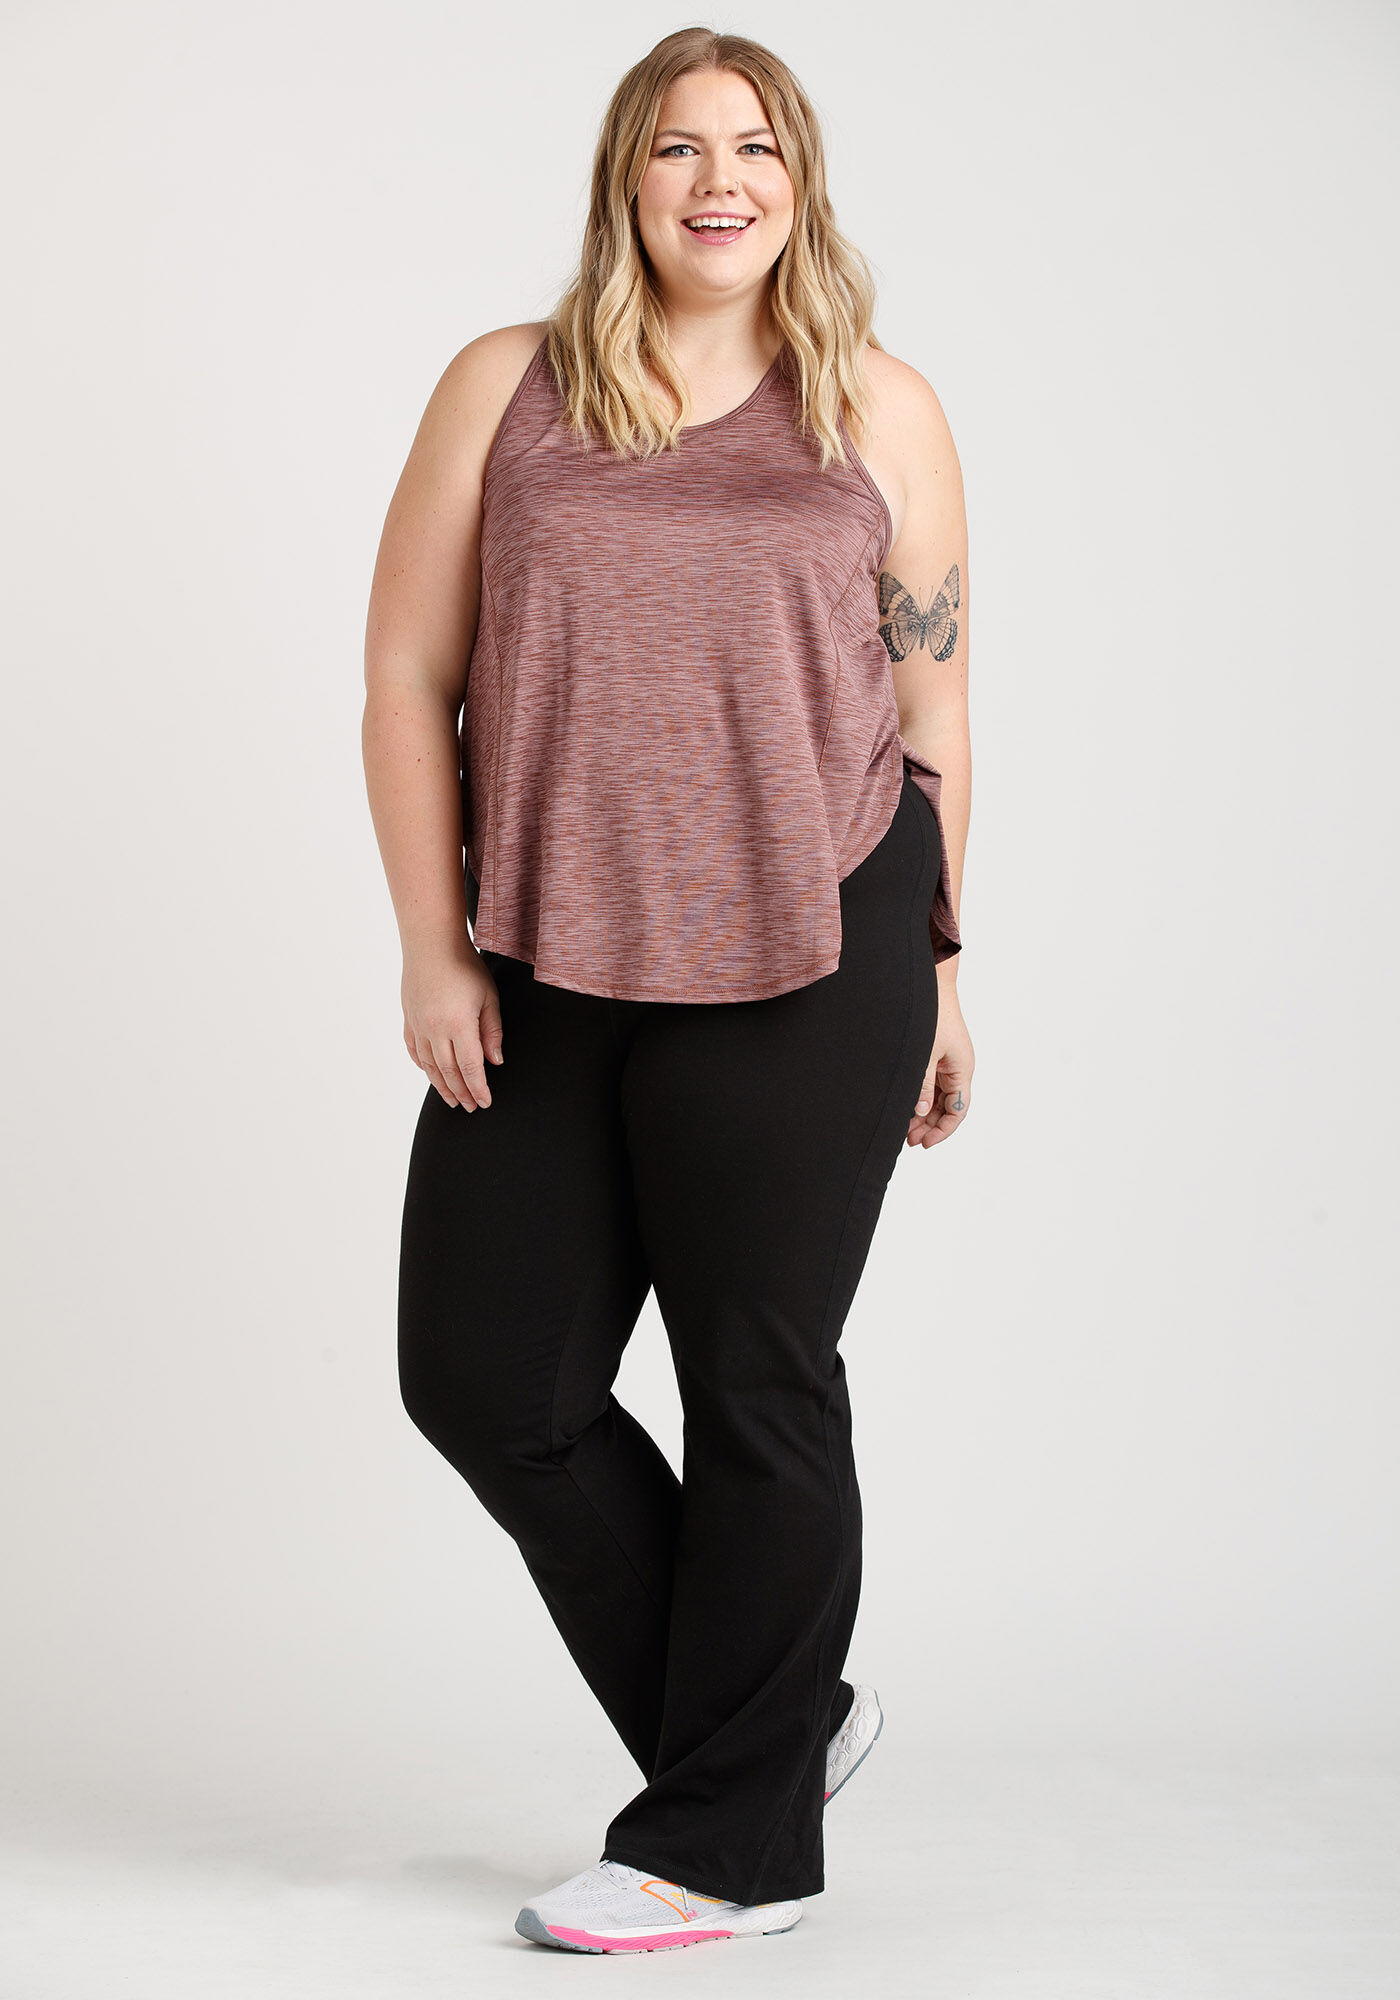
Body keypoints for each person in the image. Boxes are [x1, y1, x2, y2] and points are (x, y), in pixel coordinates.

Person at [362, 25, 973, 1956]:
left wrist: (947, 968)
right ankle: (773, 1736)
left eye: (760, 148)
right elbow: (405, 677)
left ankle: (729, 1852)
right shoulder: (507, 386)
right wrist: (432, 941)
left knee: (756, 1380)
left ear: (802, 184)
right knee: (486, 1379)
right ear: (626, 178)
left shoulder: (877, 406)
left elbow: (935, 709)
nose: (723, 183)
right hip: (553, 945)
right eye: (682, 148)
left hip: (819, 939)